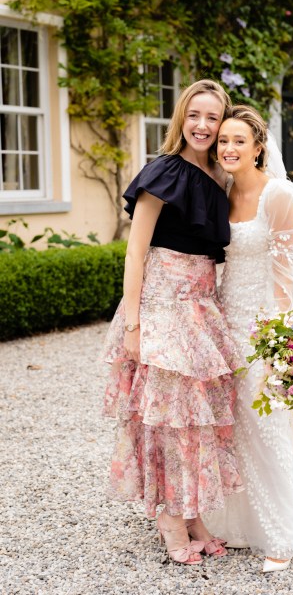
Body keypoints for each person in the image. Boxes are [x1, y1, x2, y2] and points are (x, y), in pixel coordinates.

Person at [102, 80, 244, 566]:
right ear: (181, 117)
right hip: (163, 307)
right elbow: (136, 251)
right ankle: (169, 516)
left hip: (201, 309)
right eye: (195, 115)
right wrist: (134, 327)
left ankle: (193, 515)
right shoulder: (164, 171)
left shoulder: (221, 177)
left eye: (213, 118)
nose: (203, 126)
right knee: (168, 421)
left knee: (198, 423)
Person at [204, 105, 293, 573]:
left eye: (238, 140)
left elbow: (288, 276)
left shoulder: (280, 194)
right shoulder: (220, 190)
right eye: (223, 140)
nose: (227, 148)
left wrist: (275, 345)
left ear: (258, 147)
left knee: (265, 426)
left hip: (261, 323)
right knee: (231, 426)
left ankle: (280, 533)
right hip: (223, 319)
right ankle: (238, 524)